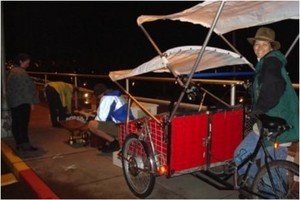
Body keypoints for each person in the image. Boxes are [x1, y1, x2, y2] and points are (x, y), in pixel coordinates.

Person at [234, 27, 299, 191]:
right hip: (265, 122)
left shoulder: (271, 62)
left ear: (271, 47)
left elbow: (272, 88)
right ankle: (257, 184)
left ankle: (267, 190)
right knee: (241, 156)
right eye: (257, 44)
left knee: (271, 177)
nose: (259, 47)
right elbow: (269, 87)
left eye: (264, 44)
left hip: (277, 126)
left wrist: (258, 109)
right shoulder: (267, 63)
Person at [6, 53, 40, 156]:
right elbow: (27, 89)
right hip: (22, 102)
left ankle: (20, 144)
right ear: (21, 61)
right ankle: (25, 145)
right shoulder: (21, 73)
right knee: (23, 124)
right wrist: (31, 102)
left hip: (14, 102)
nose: (28, 65)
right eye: (27, 62)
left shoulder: (12, 72)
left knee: (16, 123)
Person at [88, 83, 134, 153]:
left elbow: (101, 118)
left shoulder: (106, 98)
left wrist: (91, 118)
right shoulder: (116, 94)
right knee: (105, 124)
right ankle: (115, 141)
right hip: (129, 125)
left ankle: (114, 143)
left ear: (98, 94)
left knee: (91, 124)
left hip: (123, 128)